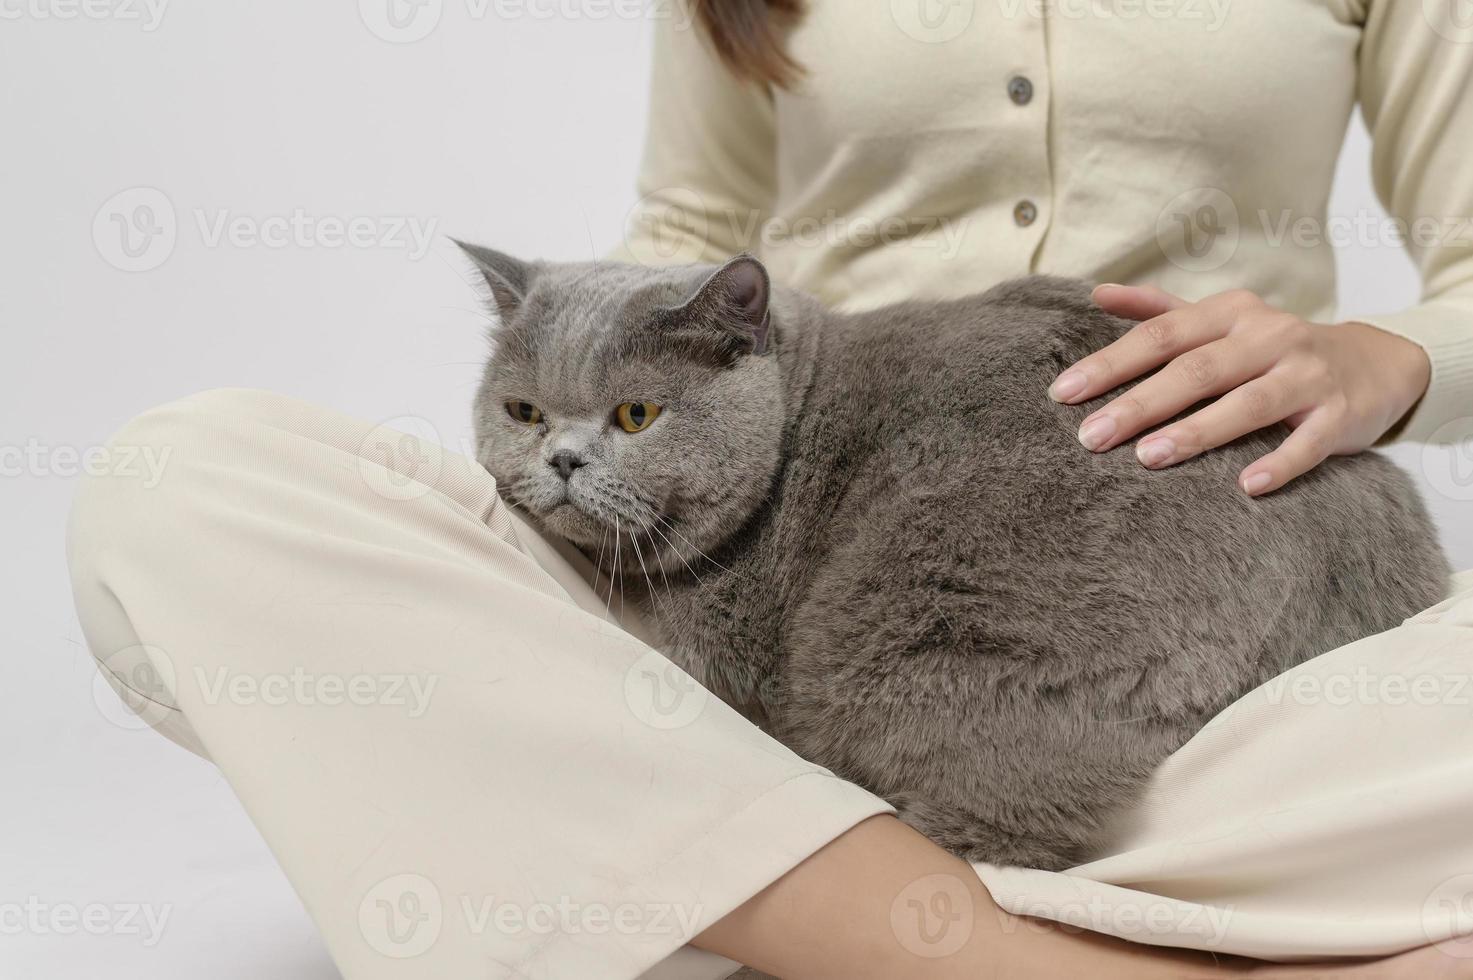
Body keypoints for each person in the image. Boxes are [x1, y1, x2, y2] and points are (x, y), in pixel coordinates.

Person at [69, 2, 1473, 978]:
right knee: (180, 492)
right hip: (735, 515)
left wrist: (1377, 357)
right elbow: (685, 233)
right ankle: (1077, 954)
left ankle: (749, 893)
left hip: (1232, 609)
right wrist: (610, 398)